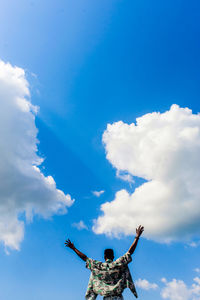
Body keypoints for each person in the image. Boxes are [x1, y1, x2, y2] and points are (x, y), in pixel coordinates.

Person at [65, 225, 144, 300]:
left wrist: (73, 248)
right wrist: (137, 237)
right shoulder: (118, 264)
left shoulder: (99, 266)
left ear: (104, 257)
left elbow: (84, 258)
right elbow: (130, 252)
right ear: (113, 257)